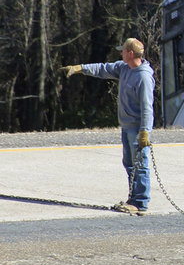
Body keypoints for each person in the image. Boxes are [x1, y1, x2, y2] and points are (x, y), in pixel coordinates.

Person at [61, 38, 155, 215]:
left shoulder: (143, 77)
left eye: (123, 51)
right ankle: (133, 199)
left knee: (139, 165)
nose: (120, 53)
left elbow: (147, 107)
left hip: (137, 129)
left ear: (131, 53)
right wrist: (79, 68)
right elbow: (103, 69)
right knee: (129, 164)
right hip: (127, 126)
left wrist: (145, 132)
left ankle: (140, 203)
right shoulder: (124, 68)